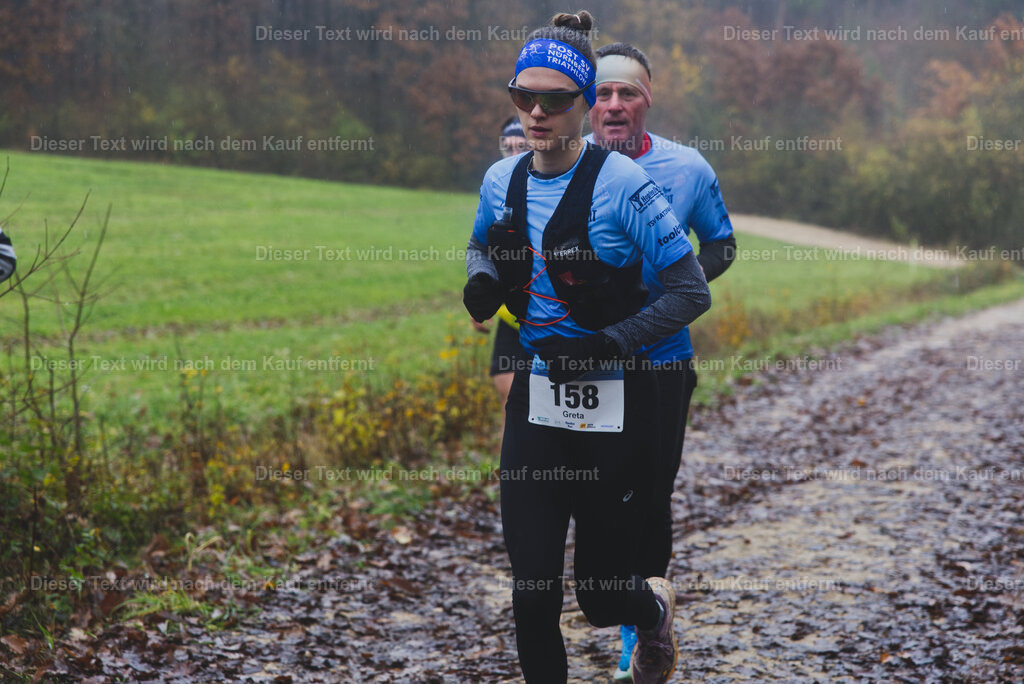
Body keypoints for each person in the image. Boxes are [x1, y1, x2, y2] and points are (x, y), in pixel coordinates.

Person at [462, 11, 711, 683]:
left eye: (556, 99)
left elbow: (691, 291)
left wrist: (608, 345)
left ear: (583, 103)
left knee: (602, 597)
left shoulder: (625, 186)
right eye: (523, 97)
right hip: (538, 400)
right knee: (532, 591)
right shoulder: (500, 179)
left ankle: (651, 611)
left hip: (614, 407)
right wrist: (482, 279)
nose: (537, 113)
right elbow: (482, 240)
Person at [586, 43, 737, 680]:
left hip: (661, 363)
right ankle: (609, 601)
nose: (615, 104)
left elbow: (722, 246)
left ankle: (640, 640)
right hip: (587, 365)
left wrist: (672, 295)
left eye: (629, 93)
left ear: (650, 99)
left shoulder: (688, 168)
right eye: (604, 93)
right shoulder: (563, 166)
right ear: (587, 103)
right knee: (595, 496)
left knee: (648, 497)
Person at [472, 117, 532, 407]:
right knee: (510, 399)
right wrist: (481, 289)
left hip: (553, 319)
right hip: (511, 317)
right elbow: (483, 247)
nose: (513, 155)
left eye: (521, 146)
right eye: (506, 148)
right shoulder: (496, 186)